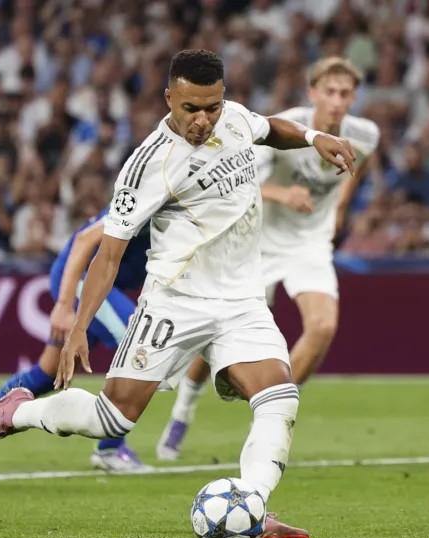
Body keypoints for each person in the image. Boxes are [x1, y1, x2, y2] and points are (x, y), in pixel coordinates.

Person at [0, 49, 355, 538]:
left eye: (212, 106)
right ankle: (15, 411)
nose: (204, 119)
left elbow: (269, 127)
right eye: (191, 109)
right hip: (174, 304)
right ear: (169, 99)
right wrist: (79, 325)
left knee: (279, 398)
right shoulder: (148, 165)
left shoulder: (235, 119)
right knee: (110, 418)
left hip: (242, 302)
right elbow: (107, 255)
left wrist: (314, 138)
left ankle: (251, 508)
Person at [157, 57, 380, 461]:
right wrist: (284, 195)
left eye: (345, 93)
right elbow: (242, 182)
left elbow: (357, 164)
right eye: (329, 91)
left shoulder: (366, 134)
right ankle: (183, 412)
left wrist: (340, 207)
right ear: (312, 93)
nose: (337, 100)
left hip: (310, 245)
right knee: (215, 338)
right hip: (256, 242)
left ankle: (272, 412)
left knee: (323, 328)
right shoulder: (286, 128)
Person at [0, 207, 153, 473]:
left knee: (48, 372)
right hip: (79, 279)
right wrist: (64, 305)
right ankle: (110, 449)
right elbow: (84, 241)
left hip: (96, 284)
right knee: (136, 341)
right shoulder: (152, 196)